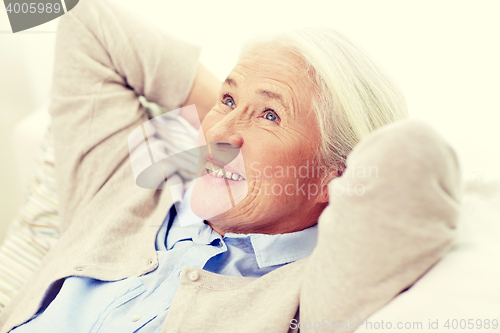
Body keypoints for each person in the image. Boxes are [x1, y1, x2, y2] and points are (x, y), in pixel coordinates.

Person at [0, 0, 461, 331]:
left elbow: (416, 155)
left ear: (334, 175)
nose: (219, 132)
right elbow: (78, 16)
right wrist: (239, 114)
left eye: (271, 115)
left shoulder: (314, 287)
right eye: (226, 97)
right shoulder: (143, 176)